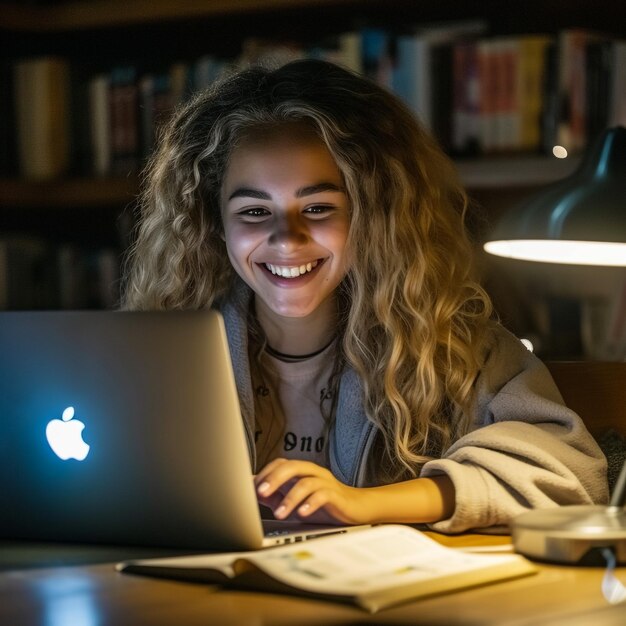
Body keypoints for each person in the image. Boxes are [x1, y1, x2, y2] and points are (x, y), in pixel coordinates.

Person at [122, 59, 607, 533]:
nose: (286, 239)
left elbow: (573, 473)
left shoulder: (448, 342)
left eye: (317, 207)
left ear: (371, 215)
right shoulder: (166, 347)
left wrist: (362, 504)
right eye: (253, 211)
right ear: (215, 222)